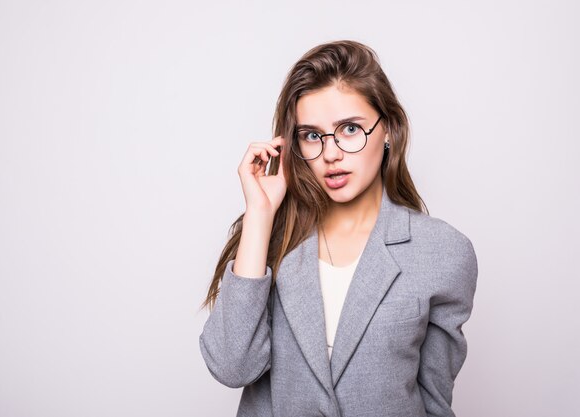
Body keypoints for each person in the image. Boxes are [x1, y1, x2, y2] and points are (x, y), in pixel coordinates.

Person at [199, 40, 478, 417]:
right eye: (312, 135)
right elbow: (233, 367)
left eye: (349, 129)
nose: (330, 153)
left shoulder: (442, 252)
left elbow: (433, 403)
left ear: (389, 130)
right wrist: (260, 216)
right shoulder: (273, 240)